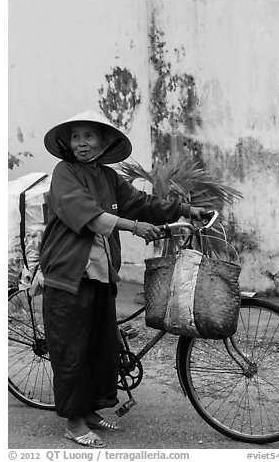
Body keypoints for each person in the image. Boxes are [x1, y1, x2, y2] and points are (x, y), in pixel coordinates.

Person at [40, 109, 205, 448]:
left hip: (101, 275)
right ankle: (73, 421)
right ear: (68, 144)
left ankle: (91, 411)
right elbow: (79, 211)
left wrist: (185, 211)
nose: (82, 143)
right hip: (67, 275)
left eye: (89, 136)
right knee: (72, 350)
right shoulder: (64, 173)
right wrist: (133, 227)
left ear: (104, 142)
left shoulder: (109, 177)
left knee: (101, 347)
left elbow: (140, 203)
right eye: (76, 137)